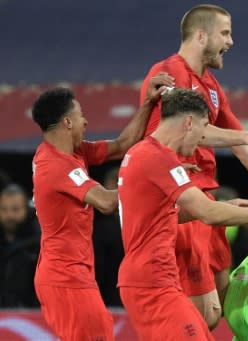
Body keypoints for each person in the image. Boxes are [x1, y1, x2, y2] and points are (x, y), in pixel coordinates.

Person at [140, 4, 248, 329]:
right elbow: (189, 128)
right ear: (201, 35)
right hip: (181, 205)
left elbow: (246, 150)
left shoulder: (211, 87)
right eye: (225, 33)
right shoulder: (170, 73)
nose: (231, 41)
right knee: (197, 317)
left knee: (214, 313)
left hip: (206, 205)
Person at [117, 87, 248, 341]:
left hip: (154, 280)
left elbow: (165, 215)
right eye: (203, 128)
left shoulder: (144, 154)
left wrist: (231, 205)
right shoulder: (155, 157)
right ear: (188, 122)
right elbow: (209, 212)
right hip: (151, 284)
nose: (203, 138)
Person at [31, 72, 174, 341]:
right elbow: (107, 203)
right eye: (81, 115)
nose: (86, 121)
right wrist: (153, 182)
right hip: (65, 277)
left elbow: (122, 145)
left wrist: (147, 104)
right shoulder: (55, 166)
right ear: (67, 122)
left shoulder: (72, 152)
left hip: (71, 272)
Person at [0, 183, 40, 307]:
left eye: (15, 209)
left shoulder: (38, 243)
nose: (9, 215)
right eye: (4, 209)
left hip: (30, 316)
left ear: (27, 209)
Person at [93, 166, 124, 306]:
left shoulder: (144, 220)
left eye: (120, 181)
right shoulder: (99, 228)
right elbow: (98, 266)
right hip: (108, 296)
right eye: (115, 181)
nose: (117, 186)